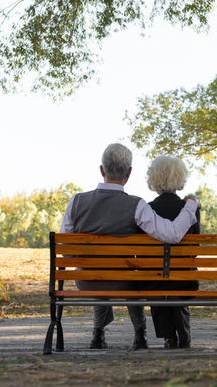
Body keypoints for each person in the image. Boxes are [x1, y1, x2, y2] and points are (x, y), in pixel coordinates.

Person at [59, 143, 199, 351]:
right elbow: (172, 233)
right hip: (121, 284)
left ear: (101, 170)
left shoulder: (76, 201)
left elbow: (65, 250)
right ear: (130, 173)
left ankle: (98, 334)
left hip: (86, 283)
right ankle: (139, 334)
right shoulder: (136, 205)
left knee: (95, 271)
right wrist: (190, 205)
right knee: (131, 274)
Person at [144, 155, 199, 349]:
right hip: (185, 279)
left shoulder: (147, 210)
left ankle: (169, 337)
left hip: (154, 279)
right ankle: (184, 334)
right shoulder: (190, 209)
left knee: (158, 282)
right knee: (177, 280)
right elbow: (195, 249)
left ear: (154, 179)